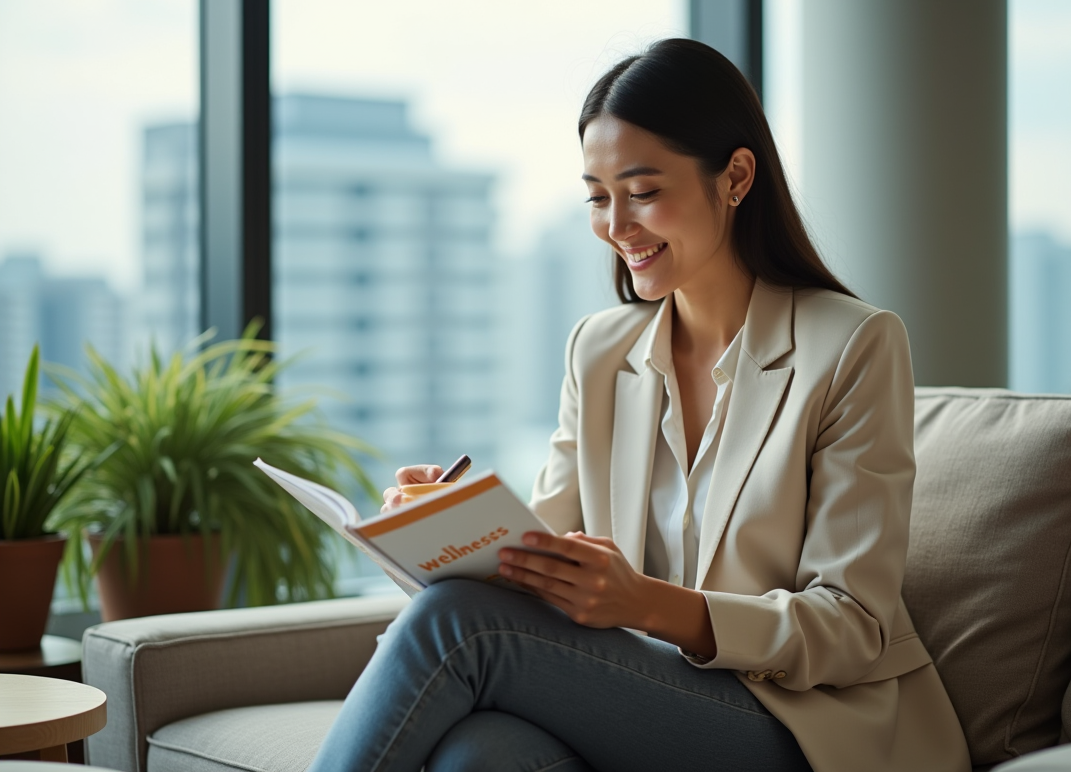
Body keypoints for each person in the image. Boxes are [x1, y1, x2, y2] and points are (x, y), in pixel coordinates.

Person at [309, 38, 970, 772]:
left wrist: (646, 604)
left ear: (737, 177)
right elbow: (538, 563)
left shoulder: (852, 344)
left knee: (458, 629)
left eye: (644, 191)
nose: (616, 226)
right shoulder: (599, 352)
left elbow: (851, 626)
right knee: (478, 756)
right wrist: (445, 529)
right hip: (649, 700)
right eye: (597, 196)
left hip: (801, 725)